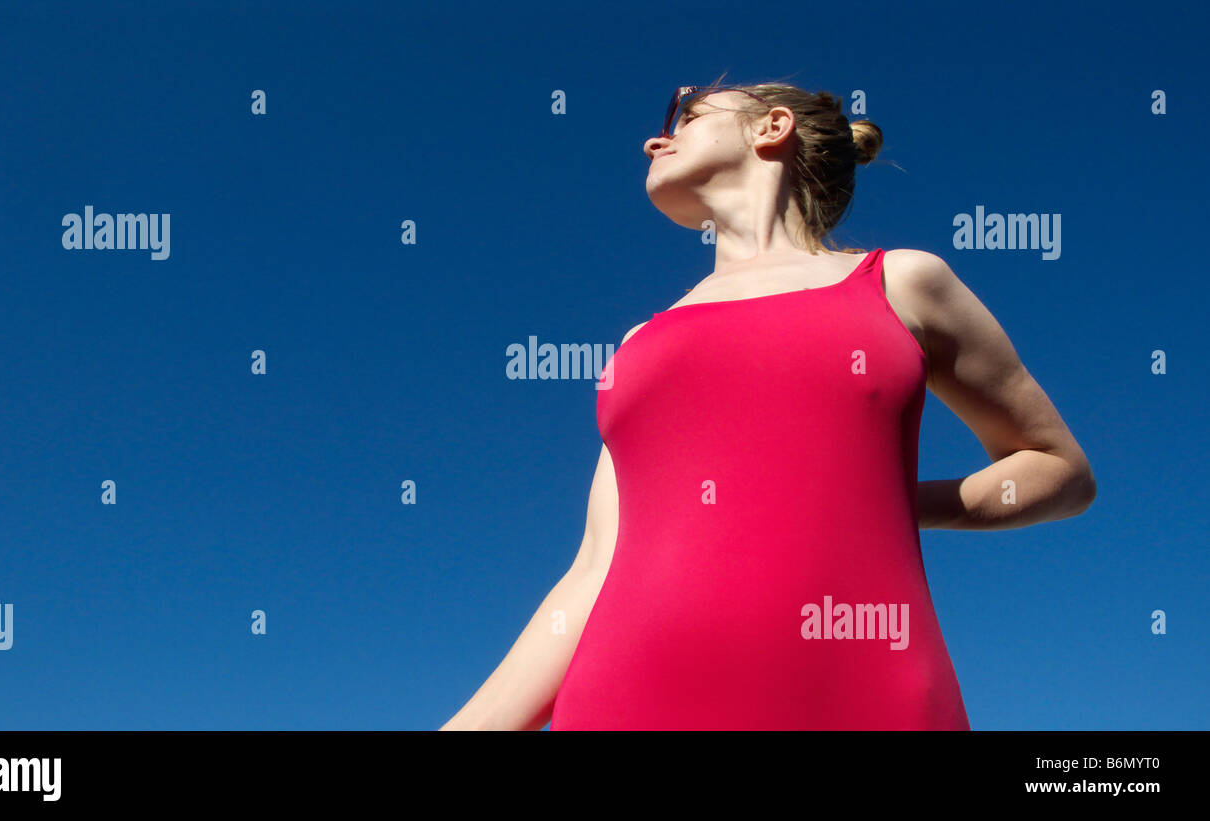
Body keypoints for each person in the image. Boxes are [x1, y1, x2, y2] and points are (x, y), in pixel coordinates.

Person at [440, 75, 1096, 731]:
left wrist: (887, 500)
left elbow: (1057, 469)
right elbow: (593, 571)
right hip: (624, 703)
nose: (652, 139)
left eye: (685, 116)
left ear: (770, 127)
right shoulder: (640, 346)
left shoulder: (901, 282)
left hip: (867, 697)